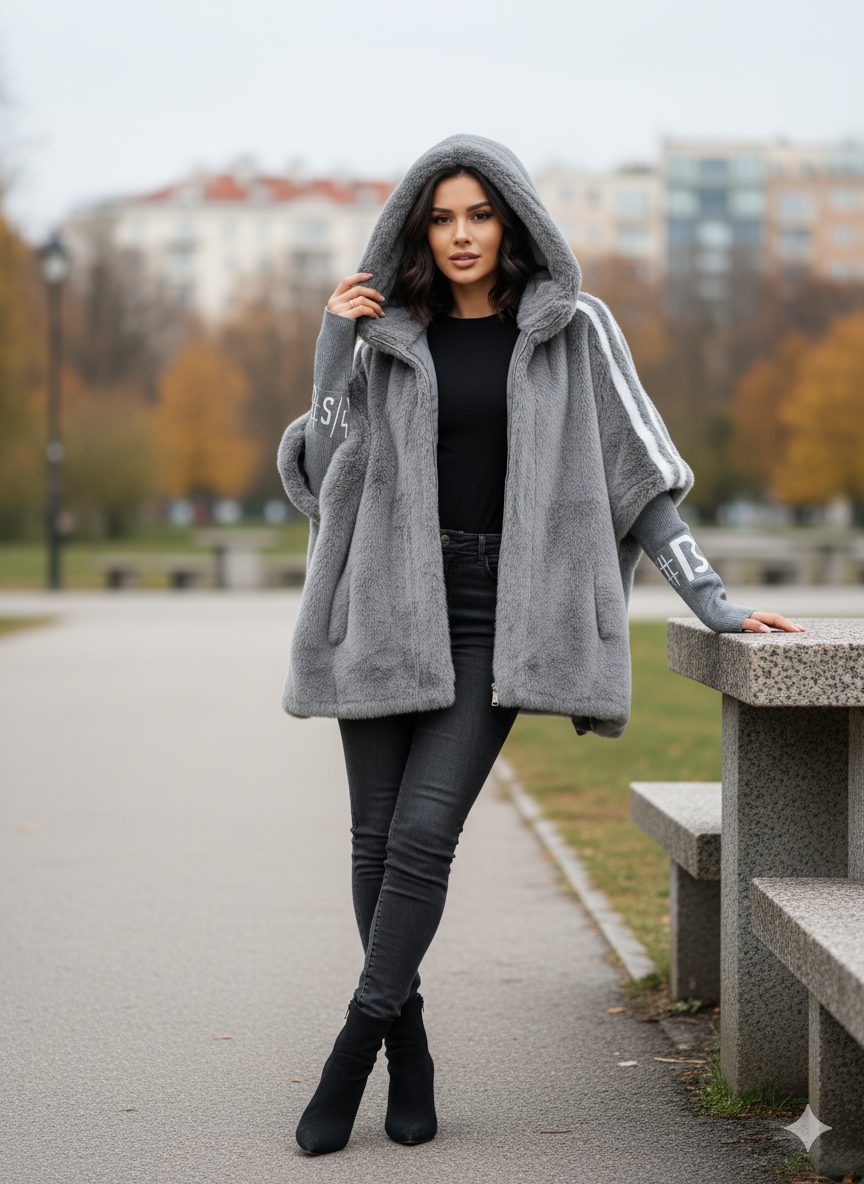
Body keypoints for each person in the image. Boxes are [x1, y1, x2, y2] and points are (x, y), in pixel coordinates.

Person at [277, 134, 802, 1156]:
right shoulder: (390, 332)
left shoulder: (573, 329)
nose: (462, 233)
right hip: (388, 601)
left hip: (498, 614)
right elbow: (318, 473)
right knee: (374, 843)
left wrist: (714, 598)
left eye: (479, 213)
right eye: (442, 216)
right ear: (416, 228)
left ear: (510, 219)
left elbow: (641, 478)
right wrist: (332, 347)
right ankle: (409, 1043)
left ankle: (352, 1044)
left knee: (425, 834)